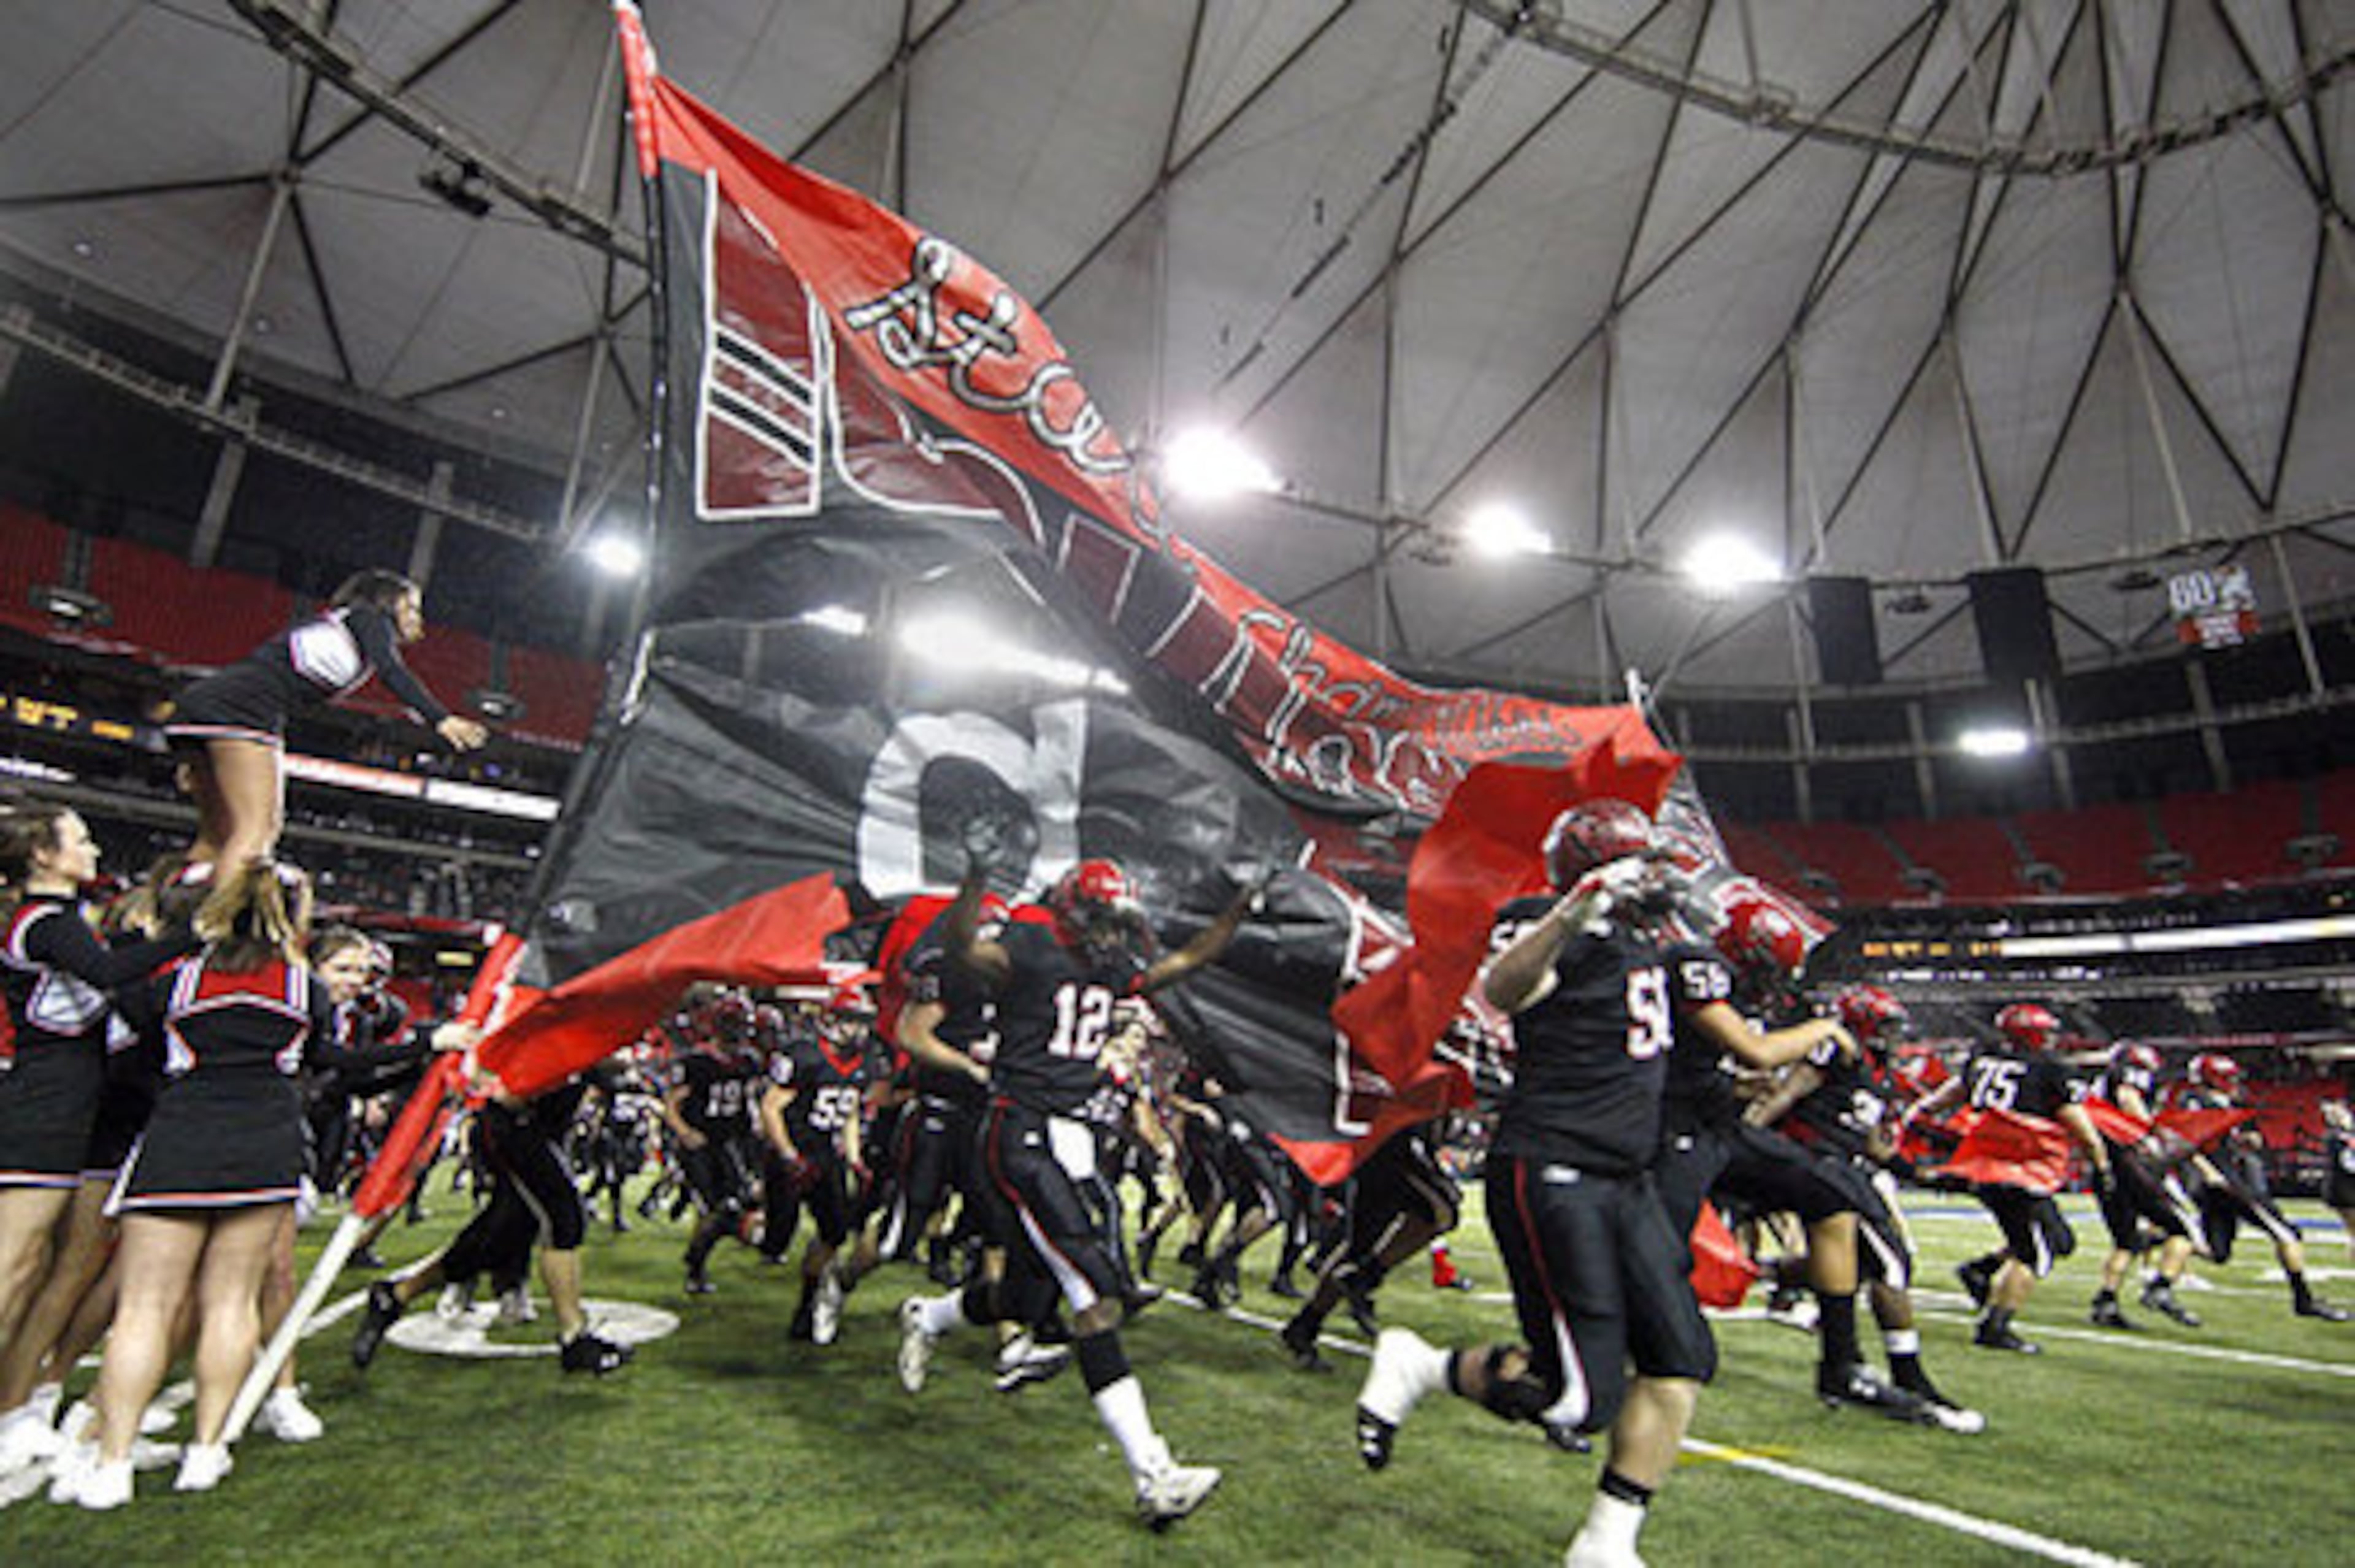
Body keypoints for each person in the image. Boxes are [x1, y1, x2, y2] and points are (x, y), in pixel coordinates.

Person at [1352, 799, 1713, 1568]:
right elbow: (1507, 987)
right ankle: (1423, 1363)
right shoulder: (1546, 918)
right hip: (1556, 1165)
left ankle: (1605, 1544)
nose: (1652, 873)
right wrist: (1579, 909)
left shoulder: (1653, 936)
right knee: (1576, 1401)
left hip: (1630, 1178)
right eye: (1636, 860)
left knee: (1679, 1364)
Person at [894, 854, 1255, 1529]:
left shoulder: (1106, 963)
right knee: (1093, 1291)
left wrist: (1237, 909)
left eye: (1114, 924)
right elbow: (961, 947)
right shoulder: (1028, 945)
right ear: (1068, 911)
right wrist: (974, 878)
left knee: (1029, 1293)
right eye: (1099, 921)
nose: (1109, 936)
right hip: (1019, 1129)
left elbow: (1182, 965)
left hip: (1068, 1133)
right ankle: (1154, 1473)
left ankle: (932, 1316)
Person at [52, 862, 330, 1507]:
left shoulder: (177, 982)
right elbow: (328, 1063)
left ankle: (114, 1462)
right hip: (265, 1147)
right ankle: (206, 1450)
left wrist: (135, 939)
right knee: (232, 1304)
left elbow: (126, 1027)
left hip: (178, 1140)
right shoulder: (301, 987)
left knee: (144, 1308)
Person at [0, 806, 196, 1379]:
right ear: (43, 854)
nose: (94, 851)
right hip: (43, 1103)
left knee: (32, 1260)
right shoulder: (47, 920)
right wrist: (192, 935)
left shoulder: (59, 918)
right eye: (81, 840)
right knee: (13, 1259)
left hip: (61, 1100)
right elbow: (110, 974)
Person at [1744, 983, 1982, 1431]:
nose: (1893, 1036)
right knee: (1890, 1265)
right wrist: (1740, 1140)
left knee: (1864, 1265)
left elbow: (1872, 1142)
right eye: (1887, 1026)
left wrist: (1919, 1174)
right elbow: (1785, 1095)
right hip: (1819, 1164)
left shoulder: (1875, 1069)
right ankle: (1903, 1375)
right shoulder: (1834, 1048)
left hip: (1847, 1168)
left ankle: (1777, 1284)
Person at [163, 569, 488, 881]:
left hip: (203, 706)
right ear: (388, 601)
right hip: (240, 713)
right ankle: (221, 931)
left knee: (216, 839)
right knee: (257, 832)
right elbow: (393, 672)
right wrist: (440, 718)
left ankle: (156, 917)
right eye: (412, 607)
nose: (417, 618)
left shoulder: (339, 625)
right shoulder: (369, 618)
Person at [1911, 1002, 2110, 1355]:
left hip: (1985, 1163)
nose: (2051, 1039)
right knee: (2035, 1251)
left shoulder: (1984, 1059)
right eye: (2046, 1032)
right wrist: (2101, 1161)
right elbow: (2077, 1122)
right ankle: (1995, 1325)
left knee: (2057, 1239)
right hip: (2020, 1165)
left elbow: (1952, 1093)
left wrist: (1920, 1113)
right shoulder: (2048, 1068)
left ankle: (1980, 1270)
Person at [2167, 1054, 2346, 1322]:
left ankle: (2152, 1256)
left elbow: (2245, 1140)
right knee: (2287, 1235)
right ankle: (2304, 1299)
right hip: (2227, 1183)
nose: (2235, 1083)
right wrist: (2210, 1172)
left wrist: (2247, 1140)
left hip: (2221, 1183)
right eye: (2229, 1078)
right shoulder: (2198, 1104)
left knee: (2217, 1252)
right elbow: (2186, 1143)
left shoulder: (2224, 1104)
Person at [2081, 1042, 2204, 1331]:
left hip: (2104, 1164)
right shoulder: (2125, 1079)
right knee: (2183, 1230)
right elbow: (2128, 1098)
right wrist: (2151, 1134)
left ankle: (2106, 1301)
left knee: (2126, 1241)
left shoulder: (2097, 1085)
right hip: (2130, 1163)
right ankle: (2160, 1288)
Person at [2324, 1100, 2355, 1266]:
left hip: (2344, 1186)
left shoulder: (2341, 1136)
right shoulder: (2337, 1138)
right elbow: (2348, 1164)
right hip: (2344, 1188)